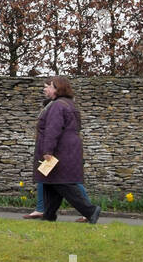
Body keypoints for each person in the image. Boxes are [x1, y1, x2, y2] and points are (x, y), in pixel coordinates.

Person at [34, 76, 101, 224]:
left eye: (49, 86)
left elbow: (53, 129)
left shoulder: (57, 105)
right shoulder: (70, 104)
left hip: (60, 150)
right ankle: (49, 216)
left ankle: (90, 210)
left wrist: (48, 150)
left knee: (61, 183)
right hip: (69, 148)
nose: (46, 89)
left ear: (57, 89)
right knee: (52, 182)